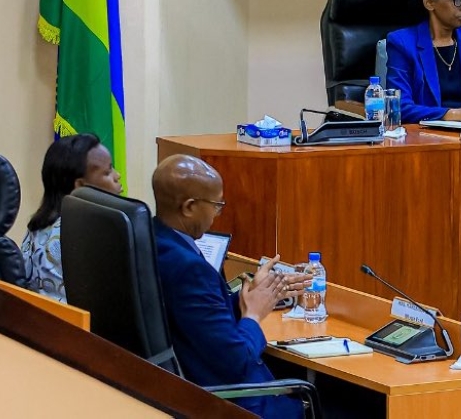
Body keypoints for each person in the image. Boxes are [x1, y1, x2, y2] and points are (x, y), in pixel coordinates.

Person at [152, 154, 308, 419]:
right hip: (234, 403)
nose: (217, 214)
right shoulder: (189, 268)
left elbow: (199, 317)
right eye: (216, 205)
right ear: (189, 207)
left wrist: (248, 297)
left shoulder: (154, 240)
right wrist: (253, 316)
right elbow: (236, 361)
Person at [22, 134, 122, 302]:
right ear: (81, 186)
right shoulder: (83, 237)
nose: (117, 175)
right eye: (108, 171)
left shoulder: (39, 225)